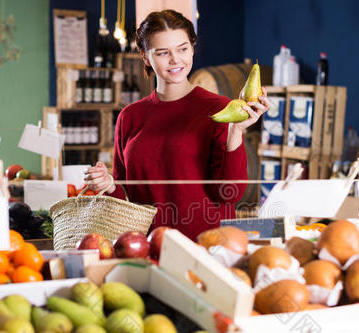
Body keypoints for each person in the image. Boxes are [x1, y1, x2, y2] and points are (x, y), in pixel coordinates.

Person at [86, 9, 270, 241]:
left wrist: (237, 131)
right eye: (163, 53)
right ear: (145, 57)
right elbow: (127, 199)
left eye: (182, 49)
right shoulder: (129, 116)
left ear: (192, 48)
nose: (175, 60)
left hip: (205, 246)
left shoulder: (221, 110)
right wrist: (109, 185)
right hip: (146, 246)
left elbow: (229, 194)